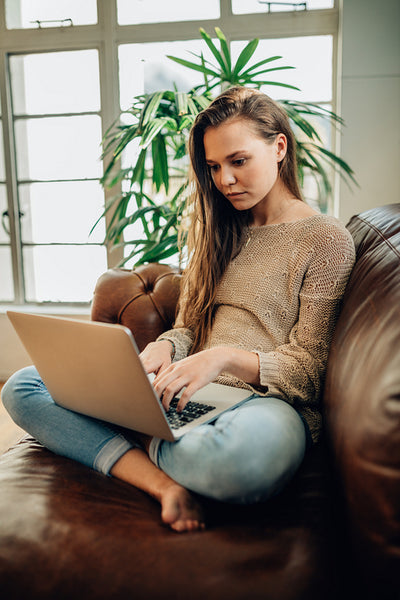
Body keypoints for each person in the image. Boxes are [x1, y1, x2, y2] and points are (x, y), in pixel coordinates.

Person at [2, 86, 355, 533]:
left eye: (238, 161)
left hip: (264, 405)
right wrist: (165, 348)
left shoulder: (325, 239)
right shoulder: (219, 230)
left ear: (279, 147)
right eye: (213, 167)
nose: (224, 180)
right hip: (186, 390)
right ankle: (165, 484)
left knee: (240, 467)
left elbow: (310, 369)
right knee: (23, 387)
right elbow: (188, 325)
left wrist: (222, 358)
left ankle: (131, 436)